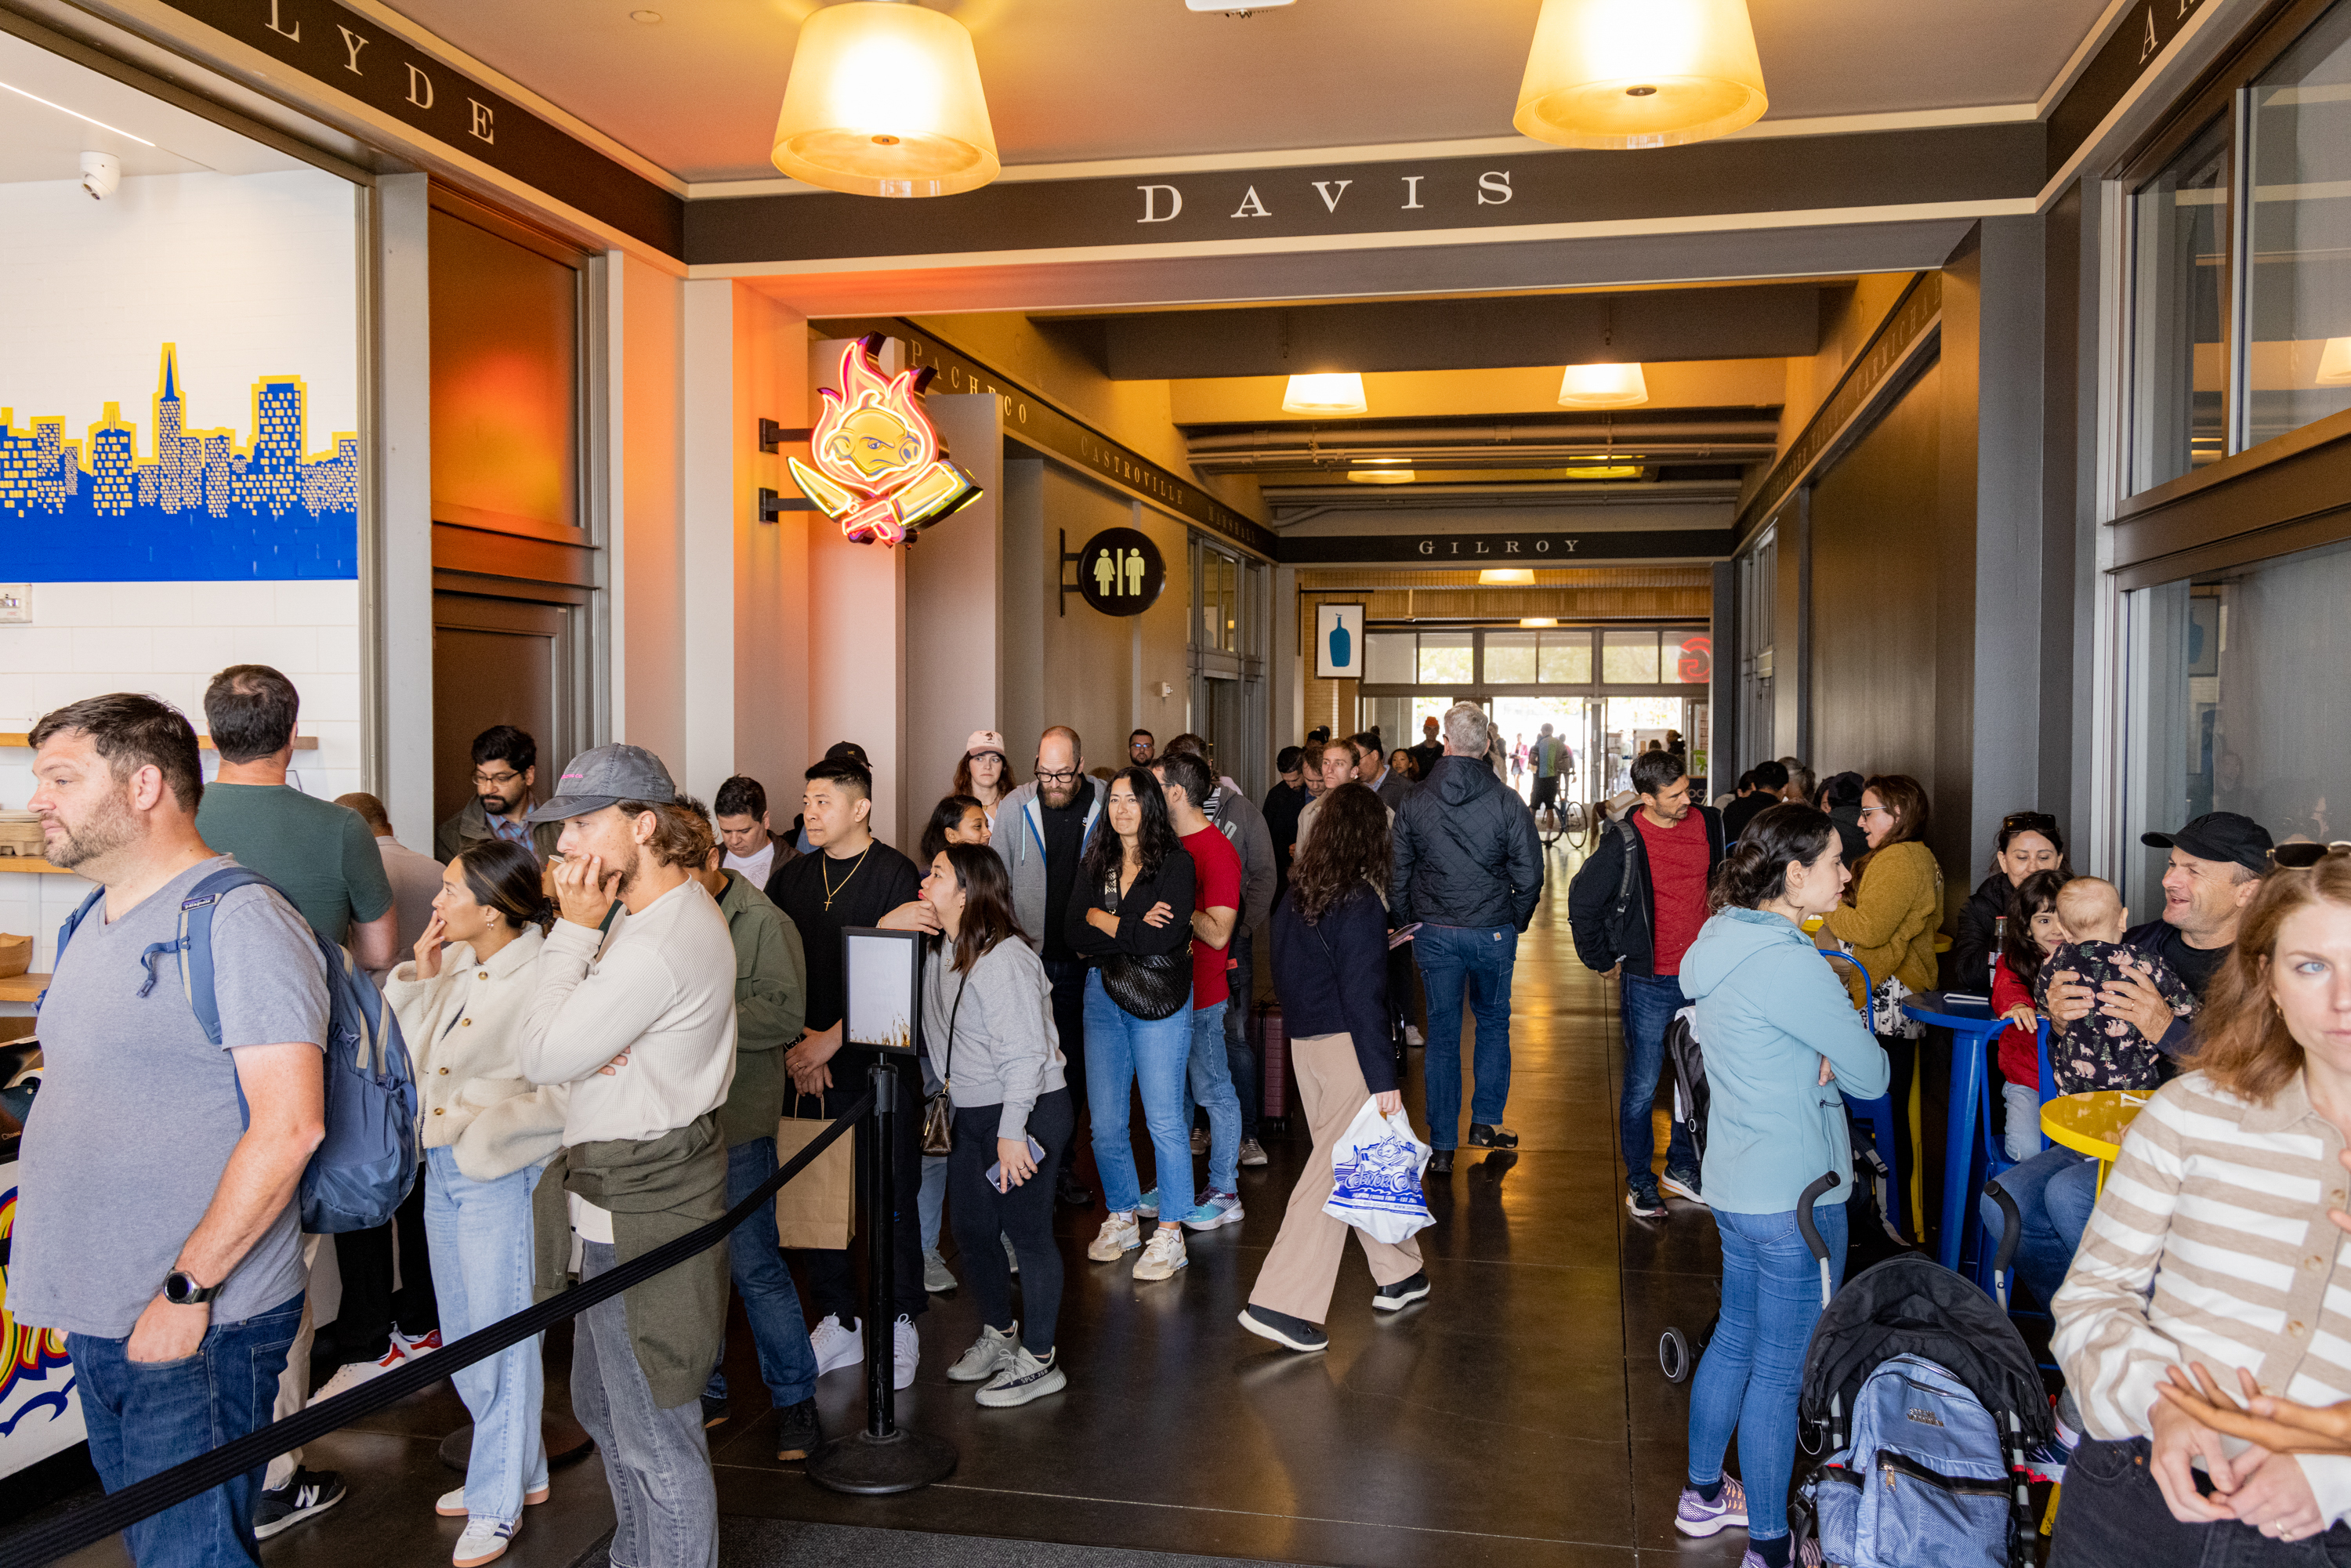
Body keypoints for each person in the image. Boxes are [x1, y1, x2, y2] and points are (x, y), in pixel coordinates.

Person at [15, 694, 333, 1563]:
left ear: (145, 784)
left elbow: (292, 1125)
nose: (38, 798)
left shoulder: (239, 921)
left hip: (196, 1323)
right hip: (109, 1313)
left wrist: (186, 1294)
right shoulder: (95, 916)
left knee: (188, 1557)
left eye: (63, 779)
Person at [2049, 849, 2351, 1565]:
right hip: (2136, 1492)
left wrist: (2334, 1471)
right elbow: (2092, 1297)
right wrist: (2159, 1398)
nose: (2342, 997)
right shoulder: (2192, 1112)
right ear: (2270, 981)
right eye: (2311, 965)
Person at [194, 664, 414, 1508]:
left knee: (193, 1267)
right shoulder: (338, 831)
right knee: (273, 1275)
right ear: (293, 732)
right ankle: (273, 1475)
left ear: (210, 736)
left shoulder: (177, 820)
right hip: (289, 1079)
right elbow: (376, 952)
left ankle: (190, 1469)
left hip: (191, 1081)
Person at [518, 745, 737, 1568]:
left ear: (643, 826)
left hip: (644, 1209)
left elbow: (542, 1052)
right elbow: (569, 1048)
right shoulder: (646, 919)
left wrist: (570, 938)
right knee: (610, 1411)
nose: (565, 845)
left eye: (582, 824)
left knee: (653, 1429)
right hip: (618, 1200)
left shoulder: (650, 938)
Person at [1672, 804, 1889, 1568]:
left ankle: (1704, 1496)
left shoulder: (1716, 941)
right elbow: (1872, 1073)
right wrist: (1829, 1051)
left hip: (1733, 1184)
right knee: (1779, 1364)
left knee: (1736, 1335)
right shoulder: (1794, 962)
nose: (1846, 872)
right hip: (1800, 1195)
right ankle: (1770, 1544)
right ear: (1795, 877)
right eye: (1835, 860)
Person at [1990, 816, 2273, 1326]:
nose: (2169, 879)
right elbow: (2078, 1050)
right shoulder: (2134, 945)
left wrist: (2165, 1026)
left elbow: (2256, 1078)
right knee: (2006, 1201)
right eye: (2171, 864)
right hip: (2111, 1133)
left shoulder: (2267, 969)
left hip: (2205, 1156)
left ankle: (2154, 1346)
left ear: (2247, 892)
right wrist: (2060, 1018)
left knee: (2071, 1194)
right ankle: (2091, 1336)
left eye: (2193, 869)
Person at [381, 841, 567, 1566]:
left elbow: (559, 1083)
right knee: (464, 1331)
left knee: (502, 1336)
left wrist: (485, 1123)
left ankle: (496, 1499)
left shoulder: (547, 972)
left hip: (496, 1166)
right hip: (443, 1163)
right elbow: (411, 1057)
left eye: (450, 890)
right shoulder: (456, 959)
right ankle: (524, 1469)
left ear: (492, 910)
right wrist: (422, 979)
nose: (436, 901)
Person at [1241, 783, 1429, 1354]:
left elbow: (1302, 976)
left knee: (1363, 1157)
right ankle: (1281, 1302)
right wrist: (1384, 1079)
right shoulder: (1362, 902)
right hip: (1349, 1050)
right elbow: (1364, 995)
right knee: (1330, 1173)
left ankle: (1398, 1272)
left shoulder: (1298, 897)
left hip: (1308, 1046)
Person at [665, 796, 821, 1457]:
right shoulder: (661, 916)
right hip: (673, 1121)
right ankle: (710, 1389)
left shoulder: (763, 921)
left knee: (755, 1264)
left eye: (680, 869)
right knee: (693, 1271)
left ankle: (796, 1402)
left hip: (736, 1119)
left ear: (712, 859)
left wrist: (695, 1012)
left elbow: (785, 1016)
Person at [767, 755, 929, 1388]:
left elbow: (903, 975)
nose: (809, 812)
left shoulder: (893, 874)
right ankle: (840, 1317)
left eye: (822, 801)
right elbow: (775, 968)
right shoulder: (792, 877)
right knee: (815, 1191)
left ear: (860, 807)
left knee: (891, 1197)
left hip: (875, 1064)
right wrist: (800, 1047)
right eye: (806, 800)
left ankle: (900, 1318)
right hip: (803, 1062)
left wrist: (829, 1044)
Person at [922, 845, 1074, 1407]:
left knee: (1028, 1234)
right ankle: (1000, 1332)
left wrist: (1013, 1131)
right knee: (972, 1230)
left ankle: (1039, 1360)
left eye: (936, 874)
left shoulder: (1004, 959)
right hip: (976, 1110)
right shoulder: (946, 946)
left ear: (966, 891)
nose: (925, 879)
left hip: (1026, 1110)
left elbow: (1025, 1056)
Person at [1567, 748, 1725, 1215]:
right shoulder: (1625, 839)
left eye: (1688, 790)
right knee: (1642, 1084)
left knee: (1695, 1078)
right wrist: (1601, 960)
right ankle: (1640, 1179)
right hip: (1651, 977)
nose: (1686, 801)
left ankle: (1682, 1166)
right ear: (1646, 797)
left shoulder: (1710, 824)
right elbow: (1583, 901)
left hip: (1704, 977)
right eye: (1674, 795)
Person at [1394, 702, 1544, 1175]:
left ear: (1447, 743)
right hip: (1491, 931)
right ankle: (1484, 1121)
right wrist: (1514, 919)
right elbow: (1530, 872)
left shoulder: (1415, 800)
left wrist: (1405, 922)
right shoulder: (1506, 801)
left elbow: (1398, 871)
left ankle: (1441, 1146)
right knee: (1493, 1022)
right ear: (1486, 746)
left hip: (1435, 932)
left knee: (1442, 1033)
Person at [1067, 767, 1199, 1281]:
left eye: (1132, 799)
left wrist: (1103, 921)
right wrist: (1126, 924)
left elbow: (1160, 942)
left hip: (1157, 997)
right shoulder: (1095, 860)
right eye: (1114, 799)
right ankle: (1122, 1216)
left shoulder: (1176, 864)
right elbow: (1071, 928)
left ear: (1150, 805)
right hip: (1101, 992)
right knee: (1104, 1123)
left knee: (1164, 1120)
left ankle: (1171, 1231)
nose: (1121, 808)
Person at [1817, 773, 1943, 1243]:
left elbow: (1868, 931)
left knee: (1876, 1113)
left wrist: (1822, 898)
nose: (1861, 821)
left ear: (1899, 816)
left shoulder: (1901, 859)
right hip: (1887, 997)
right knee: (1881, 1112)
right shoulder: (1906, 857)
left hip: (1885, 1000)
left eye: (1870, 813)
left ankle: (1882, 1225)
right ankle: (1883, 1219)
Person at [991, 726, 1103, 1210]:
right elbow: (995, 882)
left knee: (1075, 1070)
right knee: (1028, 1068)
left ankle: (1059, 1167)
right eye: (1044, 773)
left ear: (1080, 765)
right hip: (1029, 962)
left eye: (1062, 773)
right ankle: (1026, 1165)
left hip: (1085, 962)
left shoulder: (1104, 805)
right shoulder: (1017, 807)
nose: (1052, 783)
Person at [1161, 733, 1277, 1168]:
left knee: (1234, 1040)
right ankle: (1197, 1130)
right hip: (1174, 963)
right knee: (1182, 1058)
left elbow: (1265, 873)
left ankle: (1246, 1137)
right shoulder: (1165, 831)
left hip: (1226, 949)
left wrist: (1241, 928)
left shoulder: (1237, 817)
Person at [1152, 750, 1246, 1230]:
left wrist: (1174, 898)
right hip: (1165, 993)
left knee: (1214, 1091)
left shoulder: (1216, 852)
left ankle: (1225, 1189)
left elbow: (1216, 934)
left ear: (1176, 793)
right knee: (1172, 1095)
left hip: (1204, 994)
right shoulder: (1163, 844)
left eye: (1155, 784)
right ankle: (1175, 1184)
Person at [2041, 877, 2195, 1092]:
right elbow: (2179, 997)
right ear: (2123, 919)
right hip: (2132, 1081)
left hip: (2072, 1077)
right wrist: (2190, 1014)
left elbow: (2043, 996)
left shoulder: (2057, 959)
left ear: (2064, 930)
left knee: (2076, 1122)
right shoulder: (2141, 960)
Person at [1990, 868, 2069, 1161]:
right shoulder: (2014, 961)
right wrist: (2020, 1006)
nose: (2056, 930)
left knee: (2075, 1153)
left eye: (2064, 918)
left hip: (2076, 1082)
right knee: (2028, 1150)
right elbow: (2006, 987)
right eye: (2044, 920)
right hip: (2028, 1080)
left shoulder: (2087, 961)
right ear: (2026, 927)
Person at [1951, 810, 2072, 990]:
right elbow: (1969, 976)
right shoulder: (1981, 906)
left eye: (2044, 857)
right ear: (2004, 861)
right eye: (2022, 857)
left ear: (2058, 861)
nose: (2033, 868)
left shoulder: (2079, 901)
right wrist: (2017, 921)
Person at [337, 791, 445, 982]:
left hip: (376, 997)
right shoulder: (441, 871)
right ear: (390, 828)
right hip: (438, 988)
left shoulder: (348, 875)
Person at [436, 724, 562, 864]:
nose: (487, 789)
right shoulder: (451, 837)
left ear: (528, 775)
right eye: (482, 777)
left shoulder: (563, 822)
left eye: (501, 778)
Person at [714, 774, 792, 890]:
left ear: (765, 820)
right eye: (726, 831)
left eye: (744, 831)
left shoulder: (794, 865)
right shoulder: (707, 861)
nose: (735, 841)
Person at [1264, 744, 1308, 896]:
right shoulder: (1275, 796)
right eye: (1286, 780)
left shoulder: (1314, 791)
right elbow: (1267, 836)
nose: (1291, 785)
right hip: (1282, 874)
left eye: (1295, 779)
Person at [955, 730, 1019, 832]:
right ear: (967, 764)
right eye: (979, 759)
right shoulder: (953, 809)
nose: (987, 766)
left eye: (995, 760)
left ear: (1003, 767)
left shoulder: (1017, 806)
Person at [1720, 760, 1787, 848]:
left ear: (1753, 786)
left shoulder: (1732, 808)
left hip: (1736, 860)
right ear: (1785, 788)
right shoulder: (1784, 813)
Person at [1528, 722, 1570, 821]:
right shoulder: (1559, 743)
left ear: (1543, 731)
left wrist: (1539, 764)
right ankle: (1548, 835)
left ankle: (1531, 830)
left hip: (1540, 778)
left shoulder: (1539, 743)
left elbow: (1532, 760)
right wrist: (1557, 766)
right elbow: (1566, 763)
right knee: (1550, 807)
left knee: (1533, 806)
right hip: (1553, 779)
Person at [1408, 715, 1443, 782]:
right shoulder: (1414, 751)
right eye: (1429, 729)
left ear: (1438, 731)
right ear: (1424, 730)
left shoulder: (1445, 751)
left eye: (1435, 729)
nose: (1432, 732)